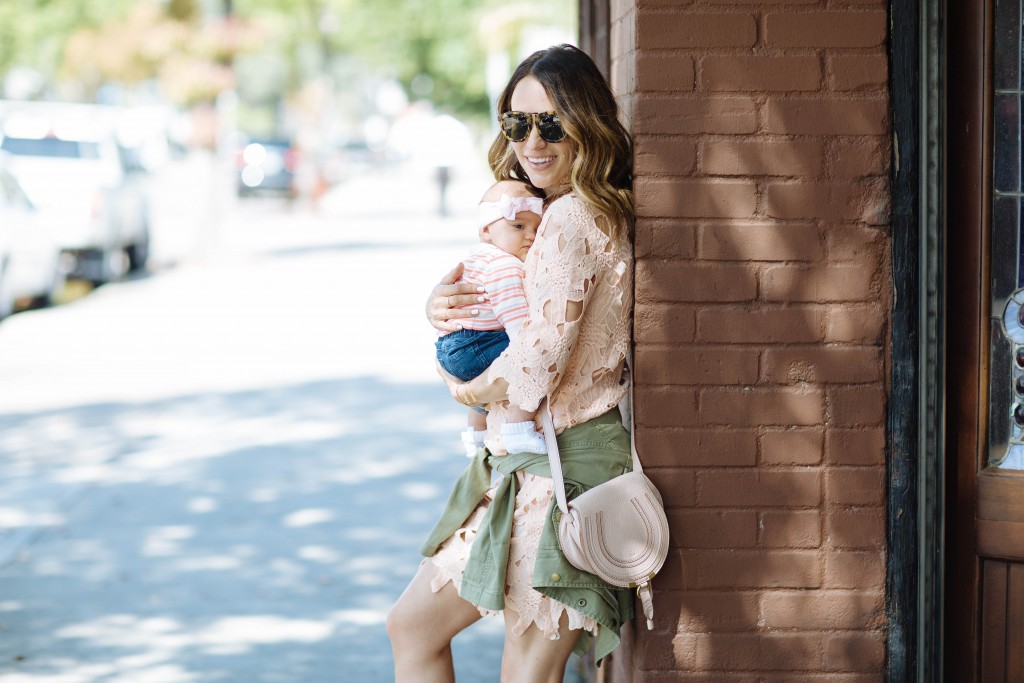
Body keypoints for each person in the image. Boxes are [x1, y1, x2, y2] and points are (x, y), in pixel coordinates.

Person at [387, 44, 634, 683]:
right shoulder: (551, 212)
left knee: (519, 672)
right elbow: (512, 325)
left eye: (551, 123)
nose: (532, 140)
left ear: (588, 122)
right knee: (414, 626)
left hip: (562, 477)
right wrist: (449, 312)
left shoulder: (572, 218)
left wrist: (460, 382)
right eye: (517, 123)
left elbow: (535, 364)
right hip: (523, 471)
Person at [435, 179, 549, 457]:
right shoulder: (505, 264)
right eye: (519, 226)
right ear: (486, 230)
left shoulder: (478, 257)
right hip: (476, 345)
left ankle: (475, 435)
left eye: (535, 228)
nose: (530, 236)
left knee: (488, 370)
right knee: (528, 359)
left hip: (451, 346)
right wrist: (526, 347)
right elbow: (514, 317)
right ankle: (519, 428)